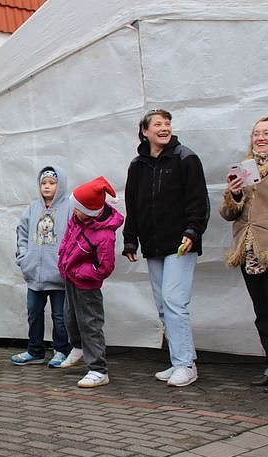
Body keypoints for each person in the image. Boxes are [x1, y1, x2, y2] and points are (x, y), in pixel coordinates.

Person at [122, 109, 210, 387]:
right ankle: (179, 360)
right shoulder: (137, 165)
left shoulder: (185, 158)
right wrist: (129, 238)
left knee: (174, 302)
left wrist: (193, 232)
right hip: (154, 244)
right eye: (157, 124)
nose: (164, 128)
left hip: (180, 243)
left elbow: (199, 199)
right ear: (144, 131)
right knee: (163, 306)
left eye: (167, 123)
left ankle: (185, 365)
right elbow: (133, 205)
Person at [57, 177, 123, 387]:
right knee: (70, 317)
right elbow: (67, 241)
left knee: (90, 324)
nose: (74, 212)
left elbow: (105, 267)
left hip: (87, 285)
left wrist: (82, 271)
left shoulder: (104, 235)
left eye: (78, 208)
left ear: (92, 210)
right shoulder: (77, 220)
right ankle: (77, 347)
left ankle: (98, 369)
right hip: (71, 279)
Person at [220, 116, 268, 391]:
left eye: (265, 133)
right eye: (256, 134)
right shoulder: (245, 169)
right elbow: (227, 214)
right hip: (248, 251)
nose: (260, 138)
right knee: (262, 313)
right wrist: (235, 194)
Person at [12, 166, 72, 368]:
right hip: (34, 276)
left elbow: (75, 235)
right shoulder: (32, 208)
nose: (47, 187)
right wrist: (23, 257)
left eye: (52, 183)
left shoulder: (69, 208)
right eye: (43, 183)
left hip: (59, 276)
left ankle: (62, 350)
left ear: (60, 185)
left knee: (60, 317)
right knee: (34, 313)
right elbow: (21, 233)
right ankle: (35, 351)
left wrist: (67, 262)